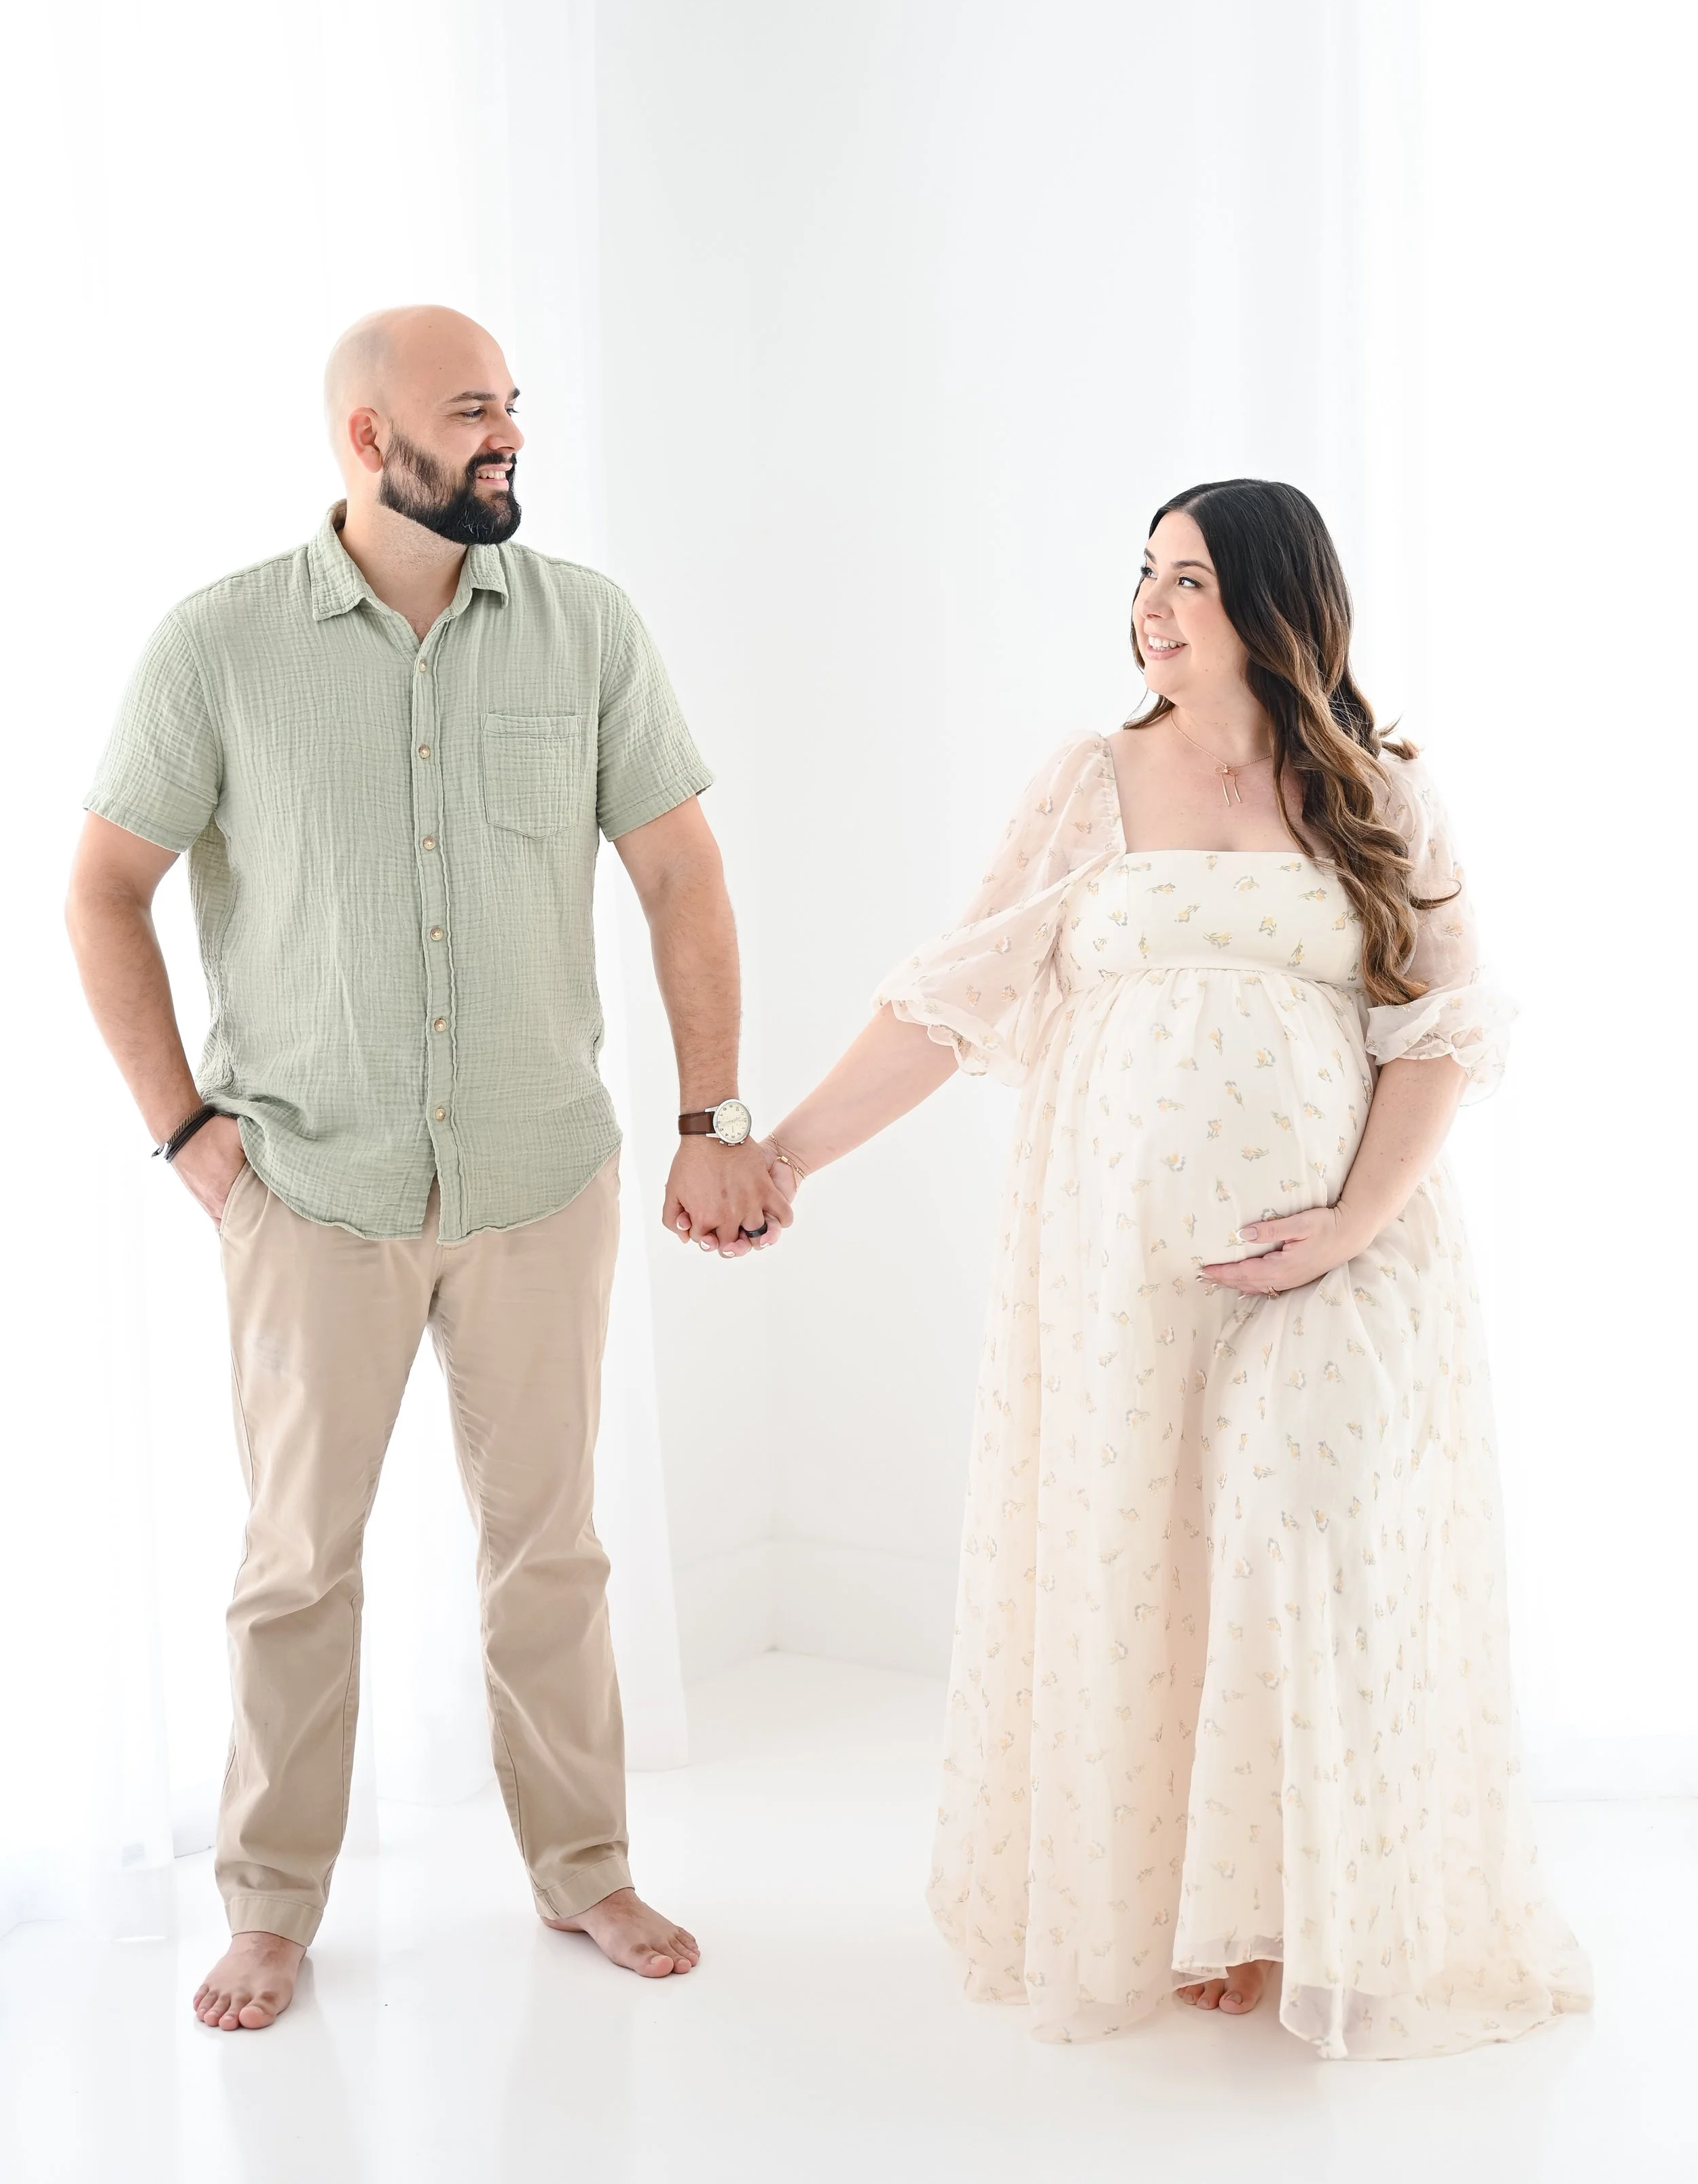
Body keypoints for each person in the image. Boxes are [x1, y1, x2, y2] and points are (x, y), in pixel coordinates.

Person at [748, 479, 1592, 2057]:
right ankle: (1209, 1913)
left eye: (1188, 578)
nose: (1149, 603)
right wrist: (783, 1152)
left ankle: (1321, 1905)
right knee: (1158, 1553)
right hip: (1118, 1265)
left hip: (1346, 1251)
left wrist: (1347, 1221)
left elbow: (1437, 1037)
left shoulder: (1377, 793)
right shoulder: (1088, 783)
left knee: (1298, 1531)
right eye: (1142, 573)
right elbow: (951, 995)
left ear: (1274, 602)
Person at [64, 304, 790, 2033]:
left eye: (514, 407)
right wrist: (185, 1130)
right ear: (365, 440)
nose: (506, 437)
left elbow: (680, 873)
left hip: (542, 1173)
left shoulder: (584, 627)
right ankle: (266, 1904)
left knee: (550, 1544)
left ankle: (585, 1866)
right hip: (307, 1187)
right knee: (297, 1559)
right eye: (471, 413)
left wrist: (710, 1120)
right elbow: (104, 888)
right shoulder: (219, 646)